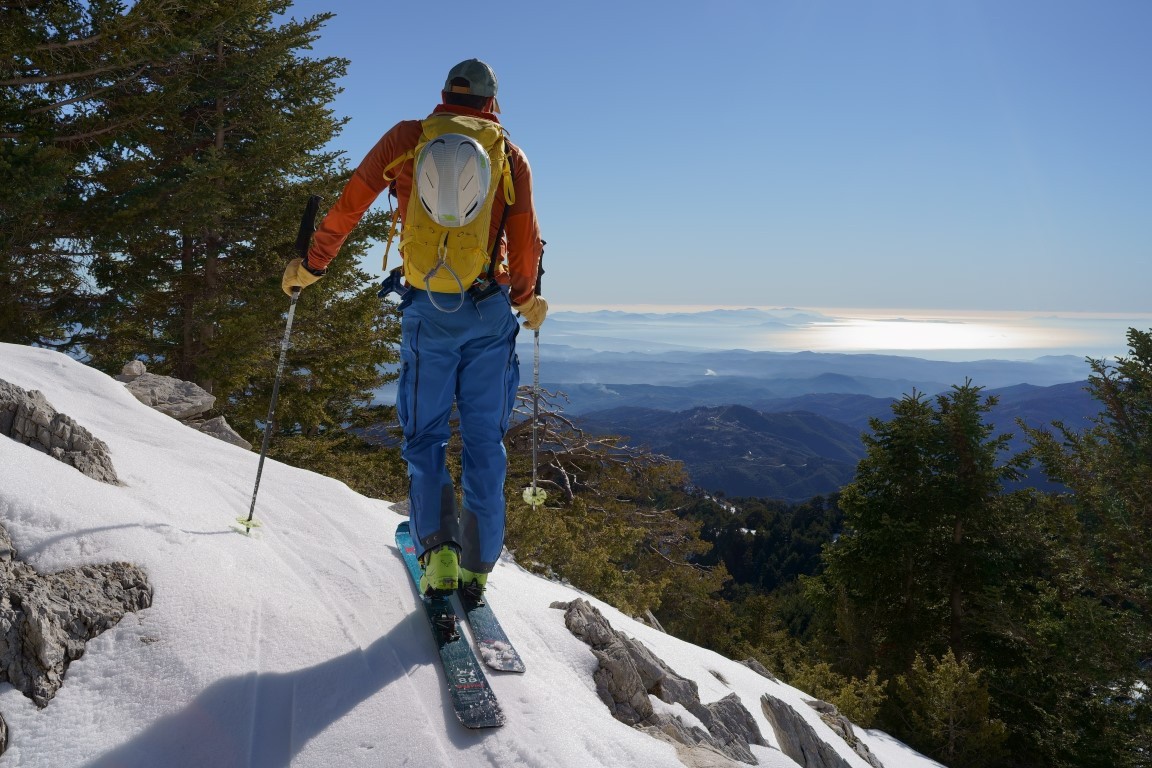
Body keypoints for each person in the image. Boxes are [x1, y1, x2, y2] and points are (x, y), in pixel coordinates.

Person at [282, 59, 546, 599]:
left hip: (428, 309)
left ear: (445, 94)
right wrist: (526, 297)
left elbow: (350, 203)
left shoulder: (409, 139)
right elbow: (524, 242)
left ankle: (438, 556)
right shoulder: (509, 157)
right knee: (484, 441)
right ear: (492, 102)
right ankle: (477, 566)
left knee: (425, 436)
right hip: (490, 314)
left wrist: (313, 264)